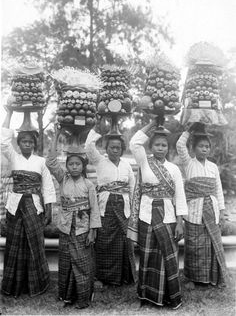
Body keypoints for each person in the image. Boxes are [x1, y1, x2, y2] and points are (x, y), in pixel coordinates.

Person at [128, 119, 188, 310]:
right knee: (146, 256)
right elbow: (134, 143)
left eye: (163, 145)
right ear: (151, 146)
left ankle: (169, 296)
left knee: (166, 257)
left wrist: (180, 222)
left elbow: (180, 196)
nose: (160, 148)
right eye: (156, 145)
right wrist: (151, 124)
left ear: (168, 148)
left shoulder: (174, 169)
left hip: (168, 217)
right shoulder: (144, 162)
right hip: (146, 215)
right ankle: (147, 295)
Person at [1, 108, 56, 297]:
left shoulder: (40, 162)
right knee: (15, 243)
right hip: (15, 206)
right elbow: (2, 141)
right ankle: (14, 285)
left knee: (35, 243)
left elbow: (48, 186)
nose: (27, 144)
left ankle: (36, 283)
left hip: (34, 206)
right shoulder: (13, 157)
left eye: (30, 142)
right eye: (24, 141)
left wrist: (48, 208)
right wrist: (8, 114)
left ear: (34, 144)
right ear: (19, 143)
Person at [46, 127, 101, 309]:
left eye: (78, 164)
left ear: (83, 166)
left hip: (83, 229)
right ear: (67, 166)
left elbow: (94, 210)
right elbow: (51, 161)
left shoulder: (89, 185)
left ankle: (83, 298)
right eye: (71, 164)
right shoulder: (63, 179)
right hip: (65, 227)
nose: (74, 167)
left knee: (83, 264)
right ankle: (67, 296)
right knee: (67, 261)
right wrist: (56, 135)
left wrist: (93, 231)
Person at [84, 119, 136, 287]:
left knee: (124, 240)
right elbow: (88, 147)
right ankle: (103, 277)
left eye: (118, 148)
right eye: (111, 147)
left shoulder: (127, 165)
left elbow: (133, 188)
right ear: (106, 149)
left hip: (123, 208)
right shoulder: (100, 161)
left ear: (122, 150)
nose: (115, 150)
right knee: (104, 241)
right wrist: (98, 125)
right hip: (105, 208)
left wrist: (134, 211)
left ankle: (124, 277)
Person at [176, 123, 228, 287]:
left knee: (211, 244)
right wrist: (189, 130)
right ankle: (193, 278)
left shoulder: (213, 167)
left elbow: (218, 190)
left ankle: (212, 277)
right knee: (194, 245)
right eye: (200, 146)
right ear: (193, 148)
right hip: (194, 212)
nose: (204, 149)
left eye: (207, 147)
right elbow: (179, 144)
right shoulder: (188, 163)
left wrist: (222, 212)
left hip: (211, 211)